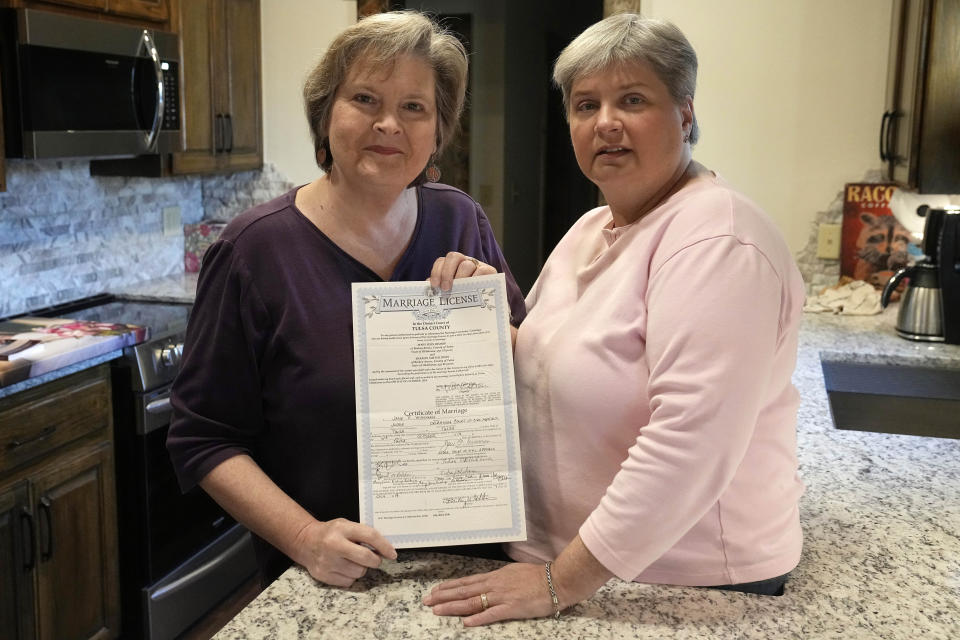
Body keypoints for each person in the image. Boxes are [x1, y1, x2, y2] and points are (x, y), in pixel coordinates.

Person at [424, 13, 806, 625]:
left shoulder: (719, 240)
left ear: (684, 112)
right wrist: (478, 321)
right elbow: (557, 363)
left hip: (680, 584)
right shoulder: (590, 228)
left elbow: (690, 441)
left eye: (632, 99)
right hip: (565, 567)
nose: (605, 123)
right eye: (584, 105)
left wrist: (559, 582)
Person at [166, 11, 526, 588]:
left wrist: (492, 322)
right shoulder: (253, 252)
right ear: (325, 113)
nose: (389, 124)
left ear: (437, 130)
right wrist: (306, 538)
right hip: (333, 581)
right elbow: (202, 436)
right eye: (364, 98)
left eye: (415, 107)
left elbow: (529, 377)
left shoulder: (461, 220)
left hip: (475, 571)